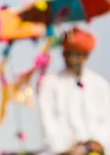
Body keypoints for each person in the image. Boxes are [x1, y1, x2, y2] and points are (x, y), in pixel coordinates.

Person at [37, 27, 110, 155]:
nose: (72, 59)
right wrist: (69, 148)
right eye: (68, 54)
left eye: (77, 54)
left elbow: (106, 120)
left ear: (86, 56)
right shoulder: (50, 83)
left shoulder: (99, 84)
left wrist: (97, 142)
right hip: (61, 151)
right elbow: (48, 123)